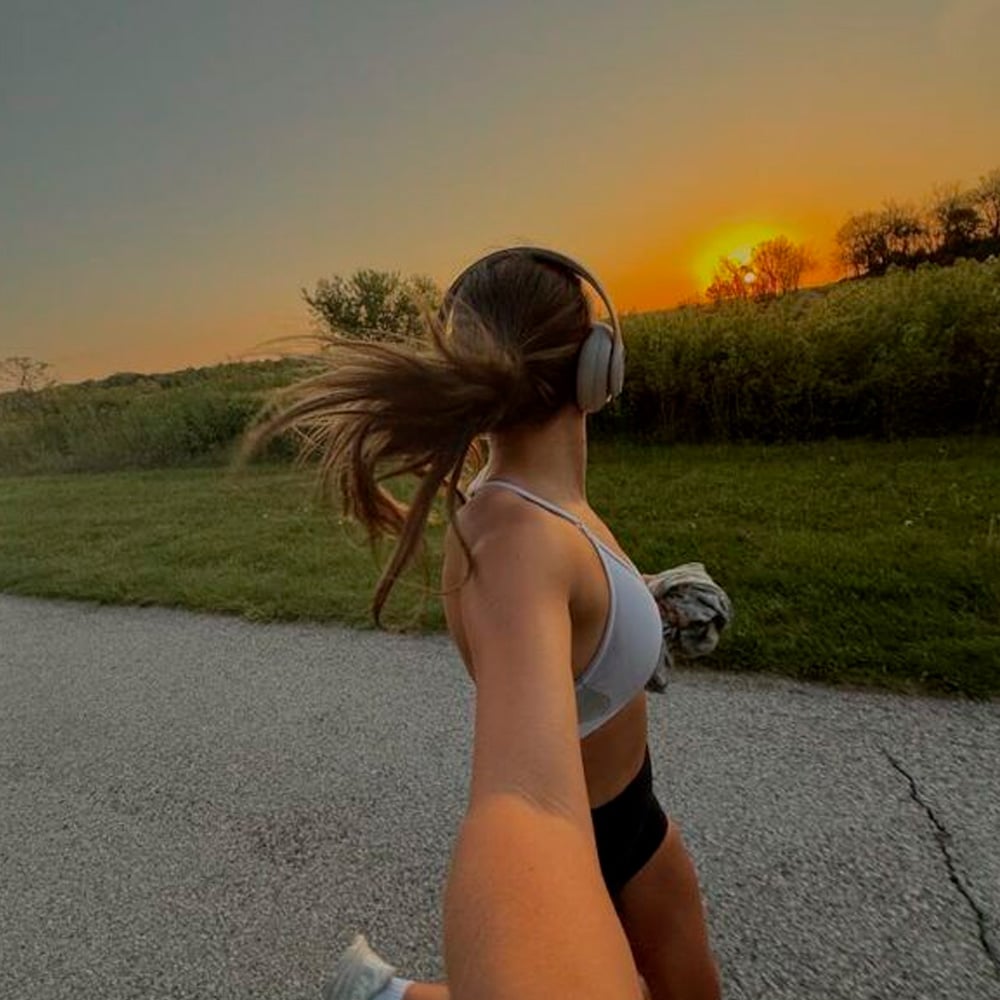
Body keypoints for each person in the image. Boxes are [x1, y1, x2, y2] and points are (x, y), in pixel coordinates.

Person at [245, 247, 721, 1000]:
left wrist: (647, 605)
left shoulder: (545, 505)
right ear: (600, 364)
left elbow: (576, 620)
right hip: (589, 833)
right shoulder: (515, 541)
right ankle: (387, 997)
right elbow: (521, 805)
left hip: (637, 812)